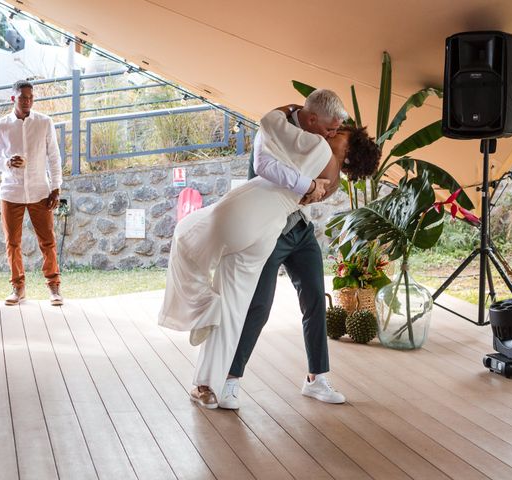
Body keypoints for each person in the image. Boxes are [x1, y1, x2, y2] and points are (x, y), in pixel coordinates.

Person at [159, 93, 380, 409]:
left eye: (339, 143)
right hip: (263, 229)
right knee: (256, 307)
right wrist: (307, 181)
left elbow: (325, 185)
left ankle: (316, 378)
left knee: (316, 298)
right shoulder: (281, 131)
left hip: (297, 230)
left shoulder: (320, 150)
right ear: (313, 119)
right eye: (333, 133)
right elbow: (267, 162)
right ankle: (229, 380)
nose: (332, 140)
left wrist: (318, 182)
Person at [0, 80, 63, 306]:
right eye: (22, 97)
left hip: (41, 190)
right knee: (12, 243)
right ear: (13, 99)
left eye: (30, 97)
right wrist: (7, 162)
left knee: (47, 241)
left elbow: (54, 157)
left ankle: (54, 287)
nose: (27, 101)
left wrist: (56, 187)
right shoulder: (2, 125)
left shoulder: (44, 122)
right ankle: (18, 288)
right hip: (11, 192)